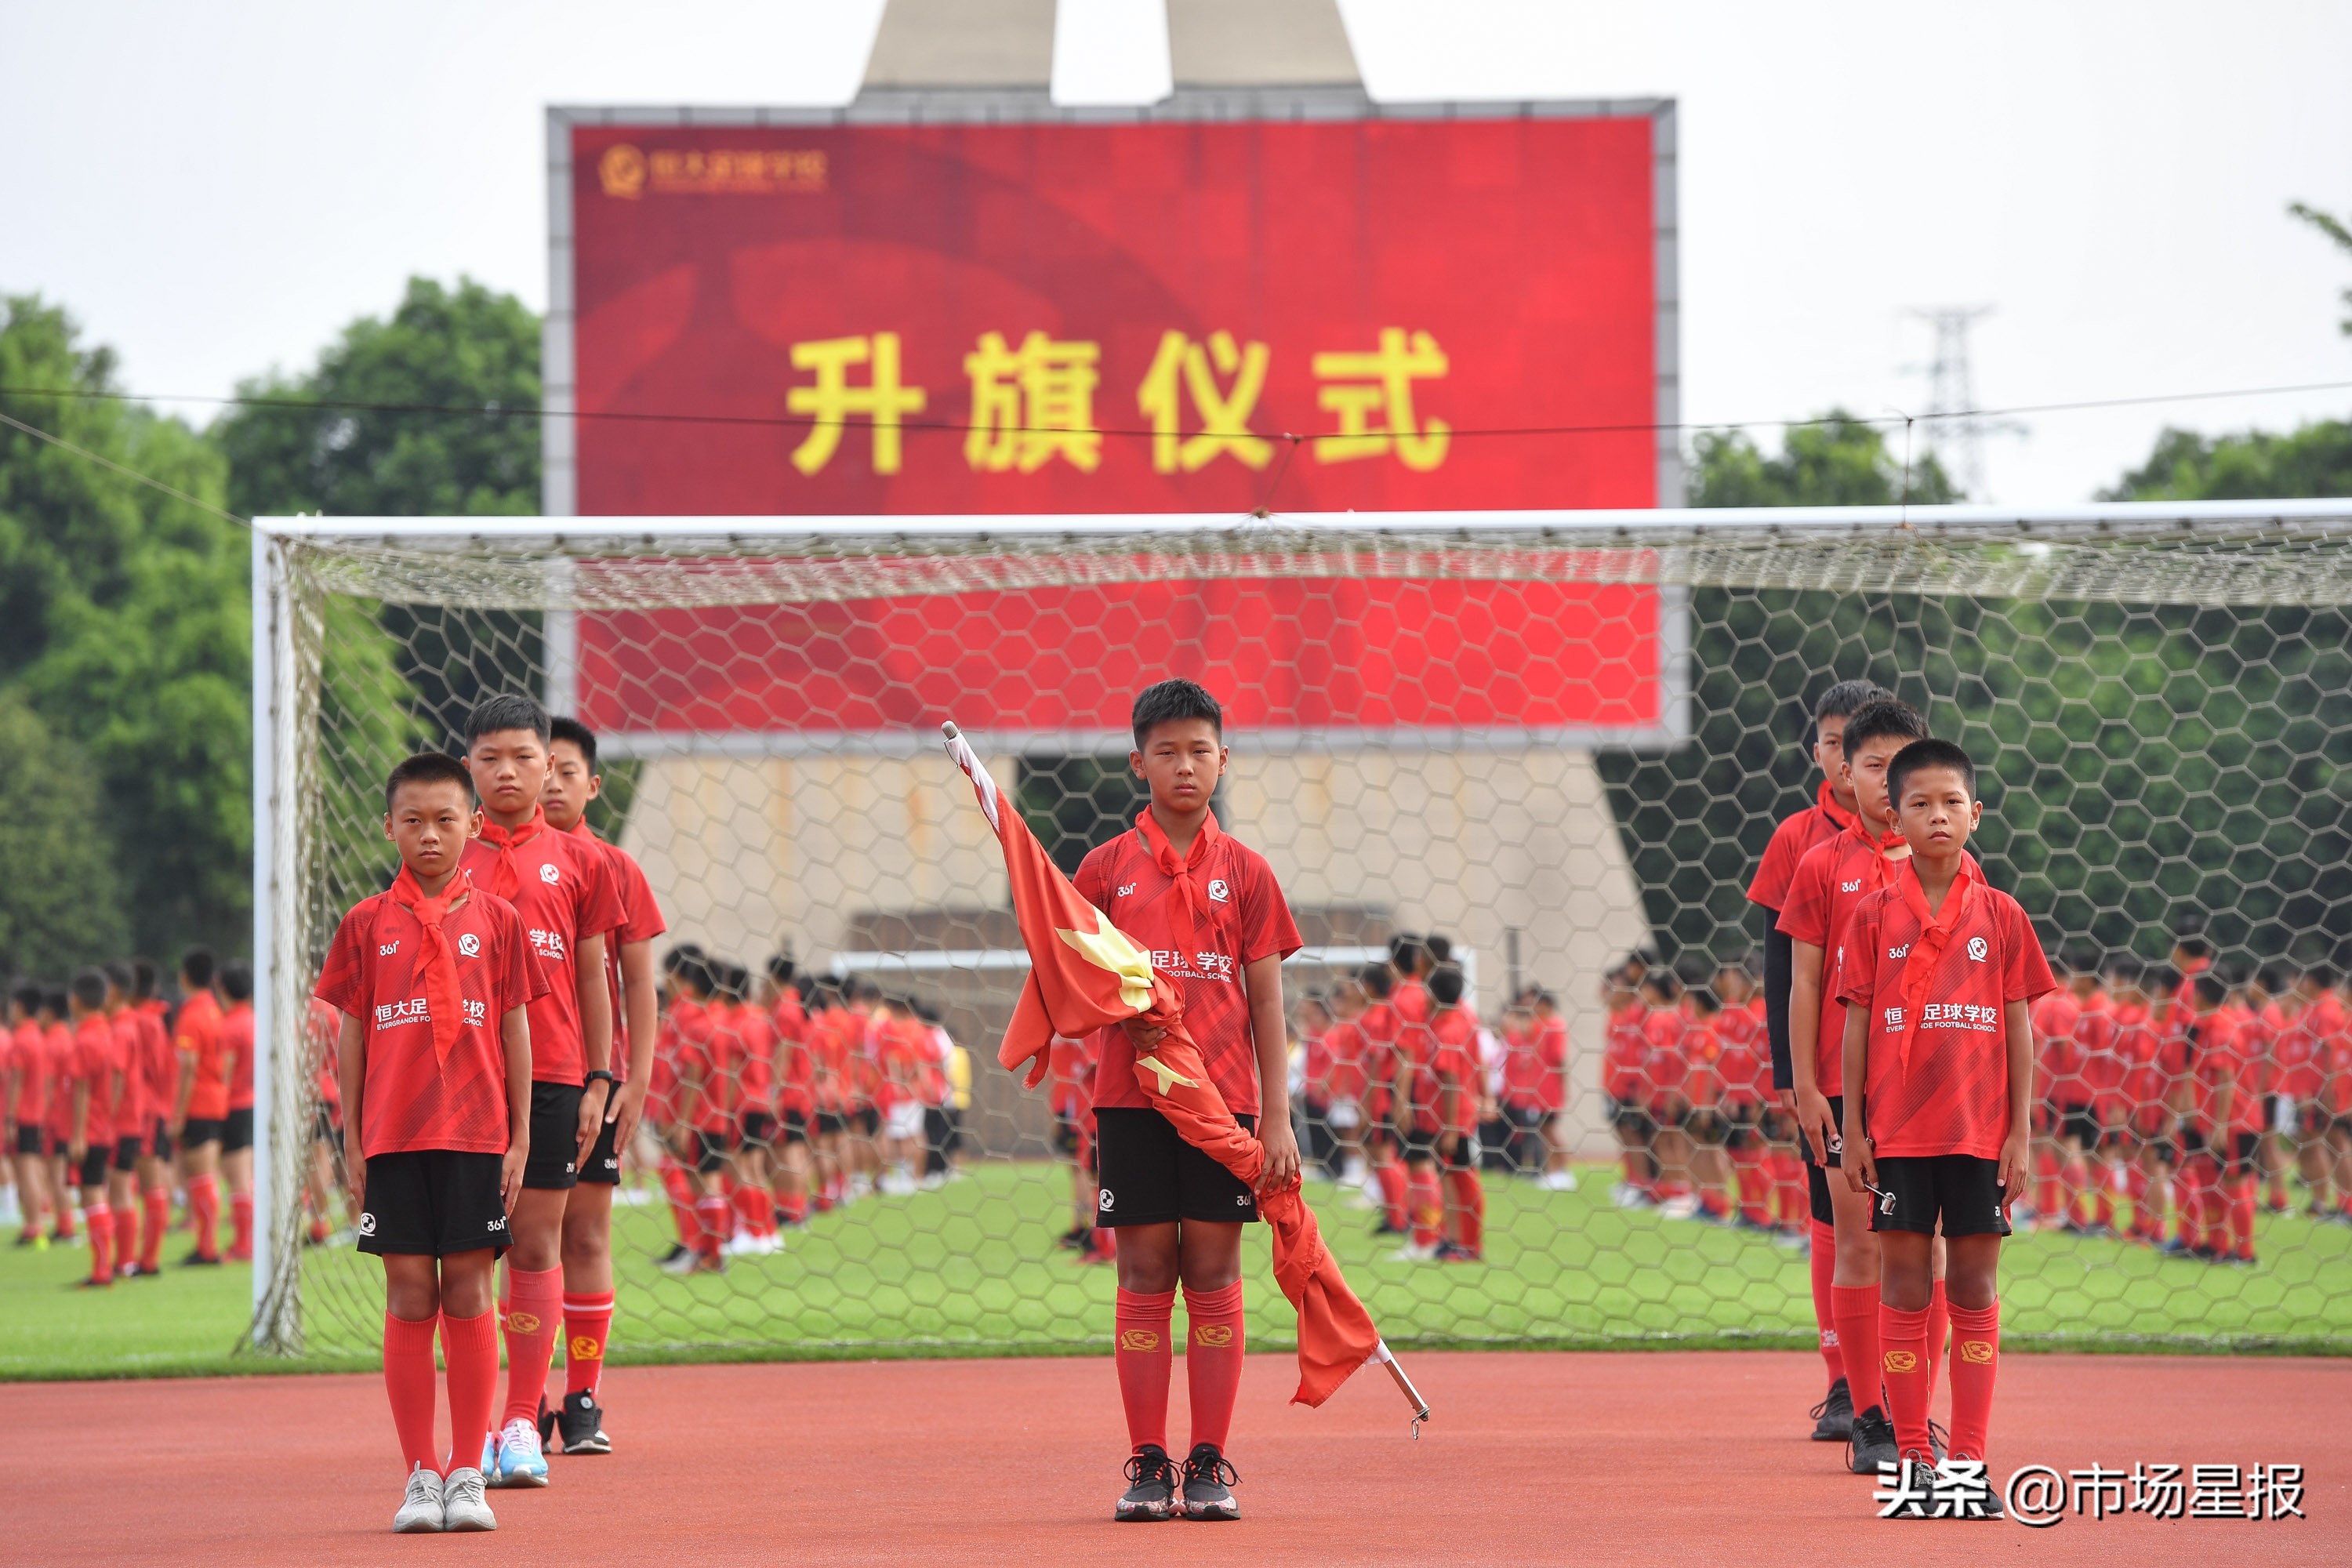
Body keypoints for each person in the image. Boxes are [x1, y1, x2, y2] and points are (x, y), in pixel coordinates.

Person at [1073, 680, 1301, 1523]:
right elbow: (1071, 979)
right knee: (1143, 1273)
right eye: (1166, 750)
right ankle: (1146, 1460)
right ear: (1138, 763)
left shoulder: (1248, 872)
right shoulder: (1103, 869)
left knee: (1211, 1272)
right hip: (1132, 1102)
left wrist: (1276, 1116)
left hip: (1227, 1104)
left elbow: (1267, 1000)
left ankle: (1207, 1461)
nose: (1184, 765)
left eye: (1199, 749)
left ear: (1223, 759)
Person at [316, 750, 539, 1533]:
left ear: (474, 823)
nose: (430, 834)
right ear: (389, 826)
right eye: (413, 820)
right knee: (409, 1293)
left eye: (446, 819)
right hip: (395, 1137)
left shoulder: (500, 921)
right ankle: (420, 1474)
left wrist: (520, 1136)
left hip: (476, 1136)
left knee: (471, 1291)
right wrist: (352, 1139)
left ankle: (469, 1471)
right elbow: (351, 1035)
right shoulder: (364, 924)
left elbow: (515, 1029)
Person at [1837, 735, 2052, 1516]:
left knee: (1973, 1286)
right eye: (1919, 803)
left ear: (1976, 814)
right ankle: (1914, 1460)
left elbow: (2019, 1027)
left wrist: (2019, 1132)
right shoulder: (1871, 914)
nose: (1937, 815)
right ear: (1894, 817)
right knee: (1903, 1286)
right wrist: (1854, 1127)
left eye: (1951, 802)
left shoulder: (2002, 914)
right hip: (1897, 1135)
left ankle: (1968, 1462)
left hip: (1978, 1133)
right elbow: (1856, 1027)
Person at [458, 694, 622, 1488]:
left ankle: (522, 1420)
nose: (508, 772)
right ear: (469, 766)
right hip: (463, 1081)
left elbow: (595, 975)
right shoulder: (444, 852)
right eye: (490, 758)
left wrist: (600, 1075)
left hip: (556, 1077)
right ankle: (474, 1428)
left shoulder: (582, 861)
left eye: (524, 757)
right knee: (468, 1255)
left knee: (535, 1245)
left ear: (549, 763)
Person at [1778, 695, 1934, 1475]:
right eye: (1871, 763)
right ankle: (1867, 1415)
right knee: (1860, 1243)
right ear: (1845, 770)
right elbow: (1802, 982)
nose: (1885, 777)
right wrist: (1805, 1086)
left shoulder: (1953, 866)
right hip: (1847, 1090)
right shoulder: (1820, 864)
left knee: (1925, 1253)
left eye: (1900, 764)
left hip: (1930, 1089)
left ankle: (1916, 1416)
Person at [1744, 677, 1886, 1441]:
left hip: (1902, 1071)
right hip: (1827, 1071)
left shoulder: (1924, 838)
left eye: (1859, 745)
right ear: (1820, 752)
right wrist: (1791, 1078)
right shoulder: (1799, 840)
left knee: (1904, 1230)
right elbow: (1782, 972)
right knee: (1832, 1214)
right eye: (1834, 743)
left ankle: (1892, 1387)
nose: (1845, 757)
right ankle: (1842, 1383)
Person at [540, 715, 671, 1454]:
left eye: (566, 772)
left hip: (592, 1080)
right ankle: (525, 1401)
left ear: (593, 785)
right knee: (521, 1243)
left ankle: (582, 1396)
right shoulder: (486, 860)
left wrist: (637, 1077)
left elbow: (637, 982)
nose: (551, 784)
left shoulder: (612, 866)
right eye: (542, 769)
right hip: (514, 1082)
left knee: (586, 1232)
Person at [64, 967, 126, 1287]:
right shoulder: (109, 1033)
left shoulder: (85, 1038)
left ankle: (102, 1270)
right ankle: (105, 1266)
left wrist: (78, 1135)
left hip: (88, 1129)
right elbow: (119, 1078)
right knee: (96, 1192)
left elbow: (81, 1089)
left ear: (75, 1000)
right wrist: (109, 1114)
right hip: (103, 1125)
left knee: (92, 1194)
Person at [171, 947, 227, 1265]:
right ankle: (206, 1244)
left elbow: (188, 1067)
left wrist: (178, 1115)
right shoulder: (215, 1011)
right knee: (204, 1176)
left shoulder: (192, 1015)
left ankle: (207, 1247)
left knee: (201, 1176)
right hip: (215, 1100)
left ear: (185, 977)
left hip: (199, 1104)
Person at [9, 980, 54, 1247]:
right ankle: (35, 1224)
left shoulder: (22, 1039)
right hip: (37, 1113)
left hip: (23, 1115)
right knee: (33, 1170)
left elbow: (16, 1081)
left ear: (20, 1006)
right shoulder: (40, 1037)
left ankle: (33, 1226)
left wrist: (9, 1118)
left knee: (25, 1172)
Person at [220, 960, 258, 1261]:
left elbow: (225, 1072)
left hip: (233, 1105)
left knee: (237, 1177)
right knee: (246, 1174)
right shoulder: (255, 1020)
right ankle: (248, 1239)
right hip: (254, 1103)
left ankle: (244, 1243)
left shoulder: (230, 1026)